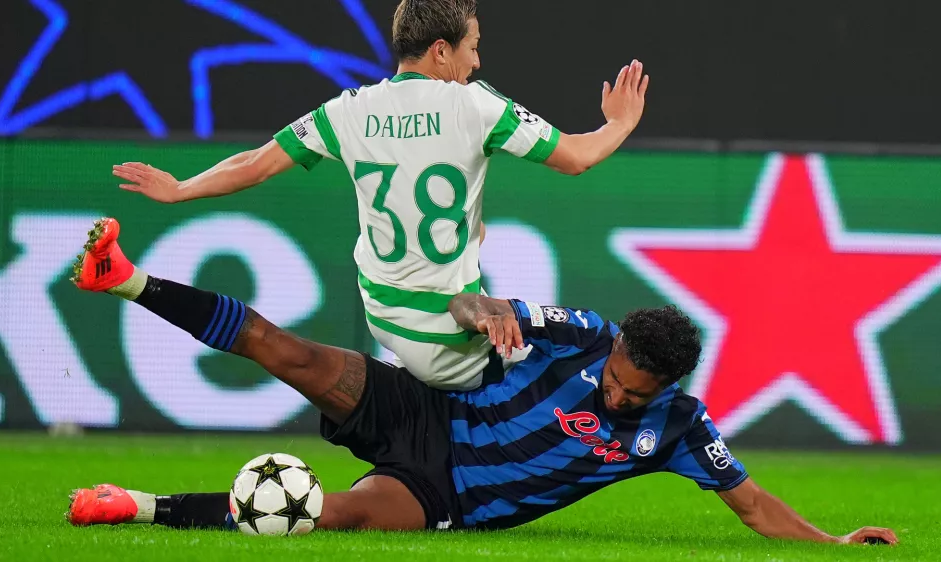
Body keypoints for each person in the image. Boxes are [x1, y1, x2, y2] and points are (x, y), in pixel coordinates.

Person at [67, 218, 897, 544]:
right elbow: (471, 300)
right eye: (614, 381)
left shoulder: (679, 428)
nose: (615, 397)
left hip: (445, 489)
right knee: (289, 354)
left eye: (633, 397)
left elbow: (751, 502)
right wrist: (486, 313)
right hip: (428, 405)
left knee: (335, 515)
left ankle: (136, 507)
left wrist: (831, 545)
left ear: (668, 389)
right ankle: (128, 280)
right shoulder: (586, 336)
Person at [105, 0, 650, 391]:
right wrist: (620, 124)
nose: (477, 62)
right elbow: (579, 157)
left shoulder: (347, 111)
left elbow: (254, 164)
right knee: (594, 357)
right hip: (451, 337)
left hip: (385, 317)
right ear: (441, 51)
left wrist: (180, 190)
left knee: (473, 233)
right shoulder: (476, 105)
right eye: (473, 48)